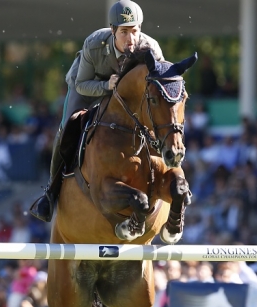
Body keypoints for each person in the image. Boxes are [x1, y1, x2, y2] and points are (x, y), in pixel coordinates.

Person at [30, 0, 164, 222]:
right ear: (112, 31)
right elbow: (82, 83)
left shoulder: (150, 48)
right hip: (90, 86)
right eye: (124, 32)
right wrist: (106, 86)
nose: (131, 39)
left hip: (127, 93)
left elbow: (162, 85)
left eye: (135, 31)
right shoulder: (94, 44)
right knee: (67, 127)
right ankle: (50, 193)